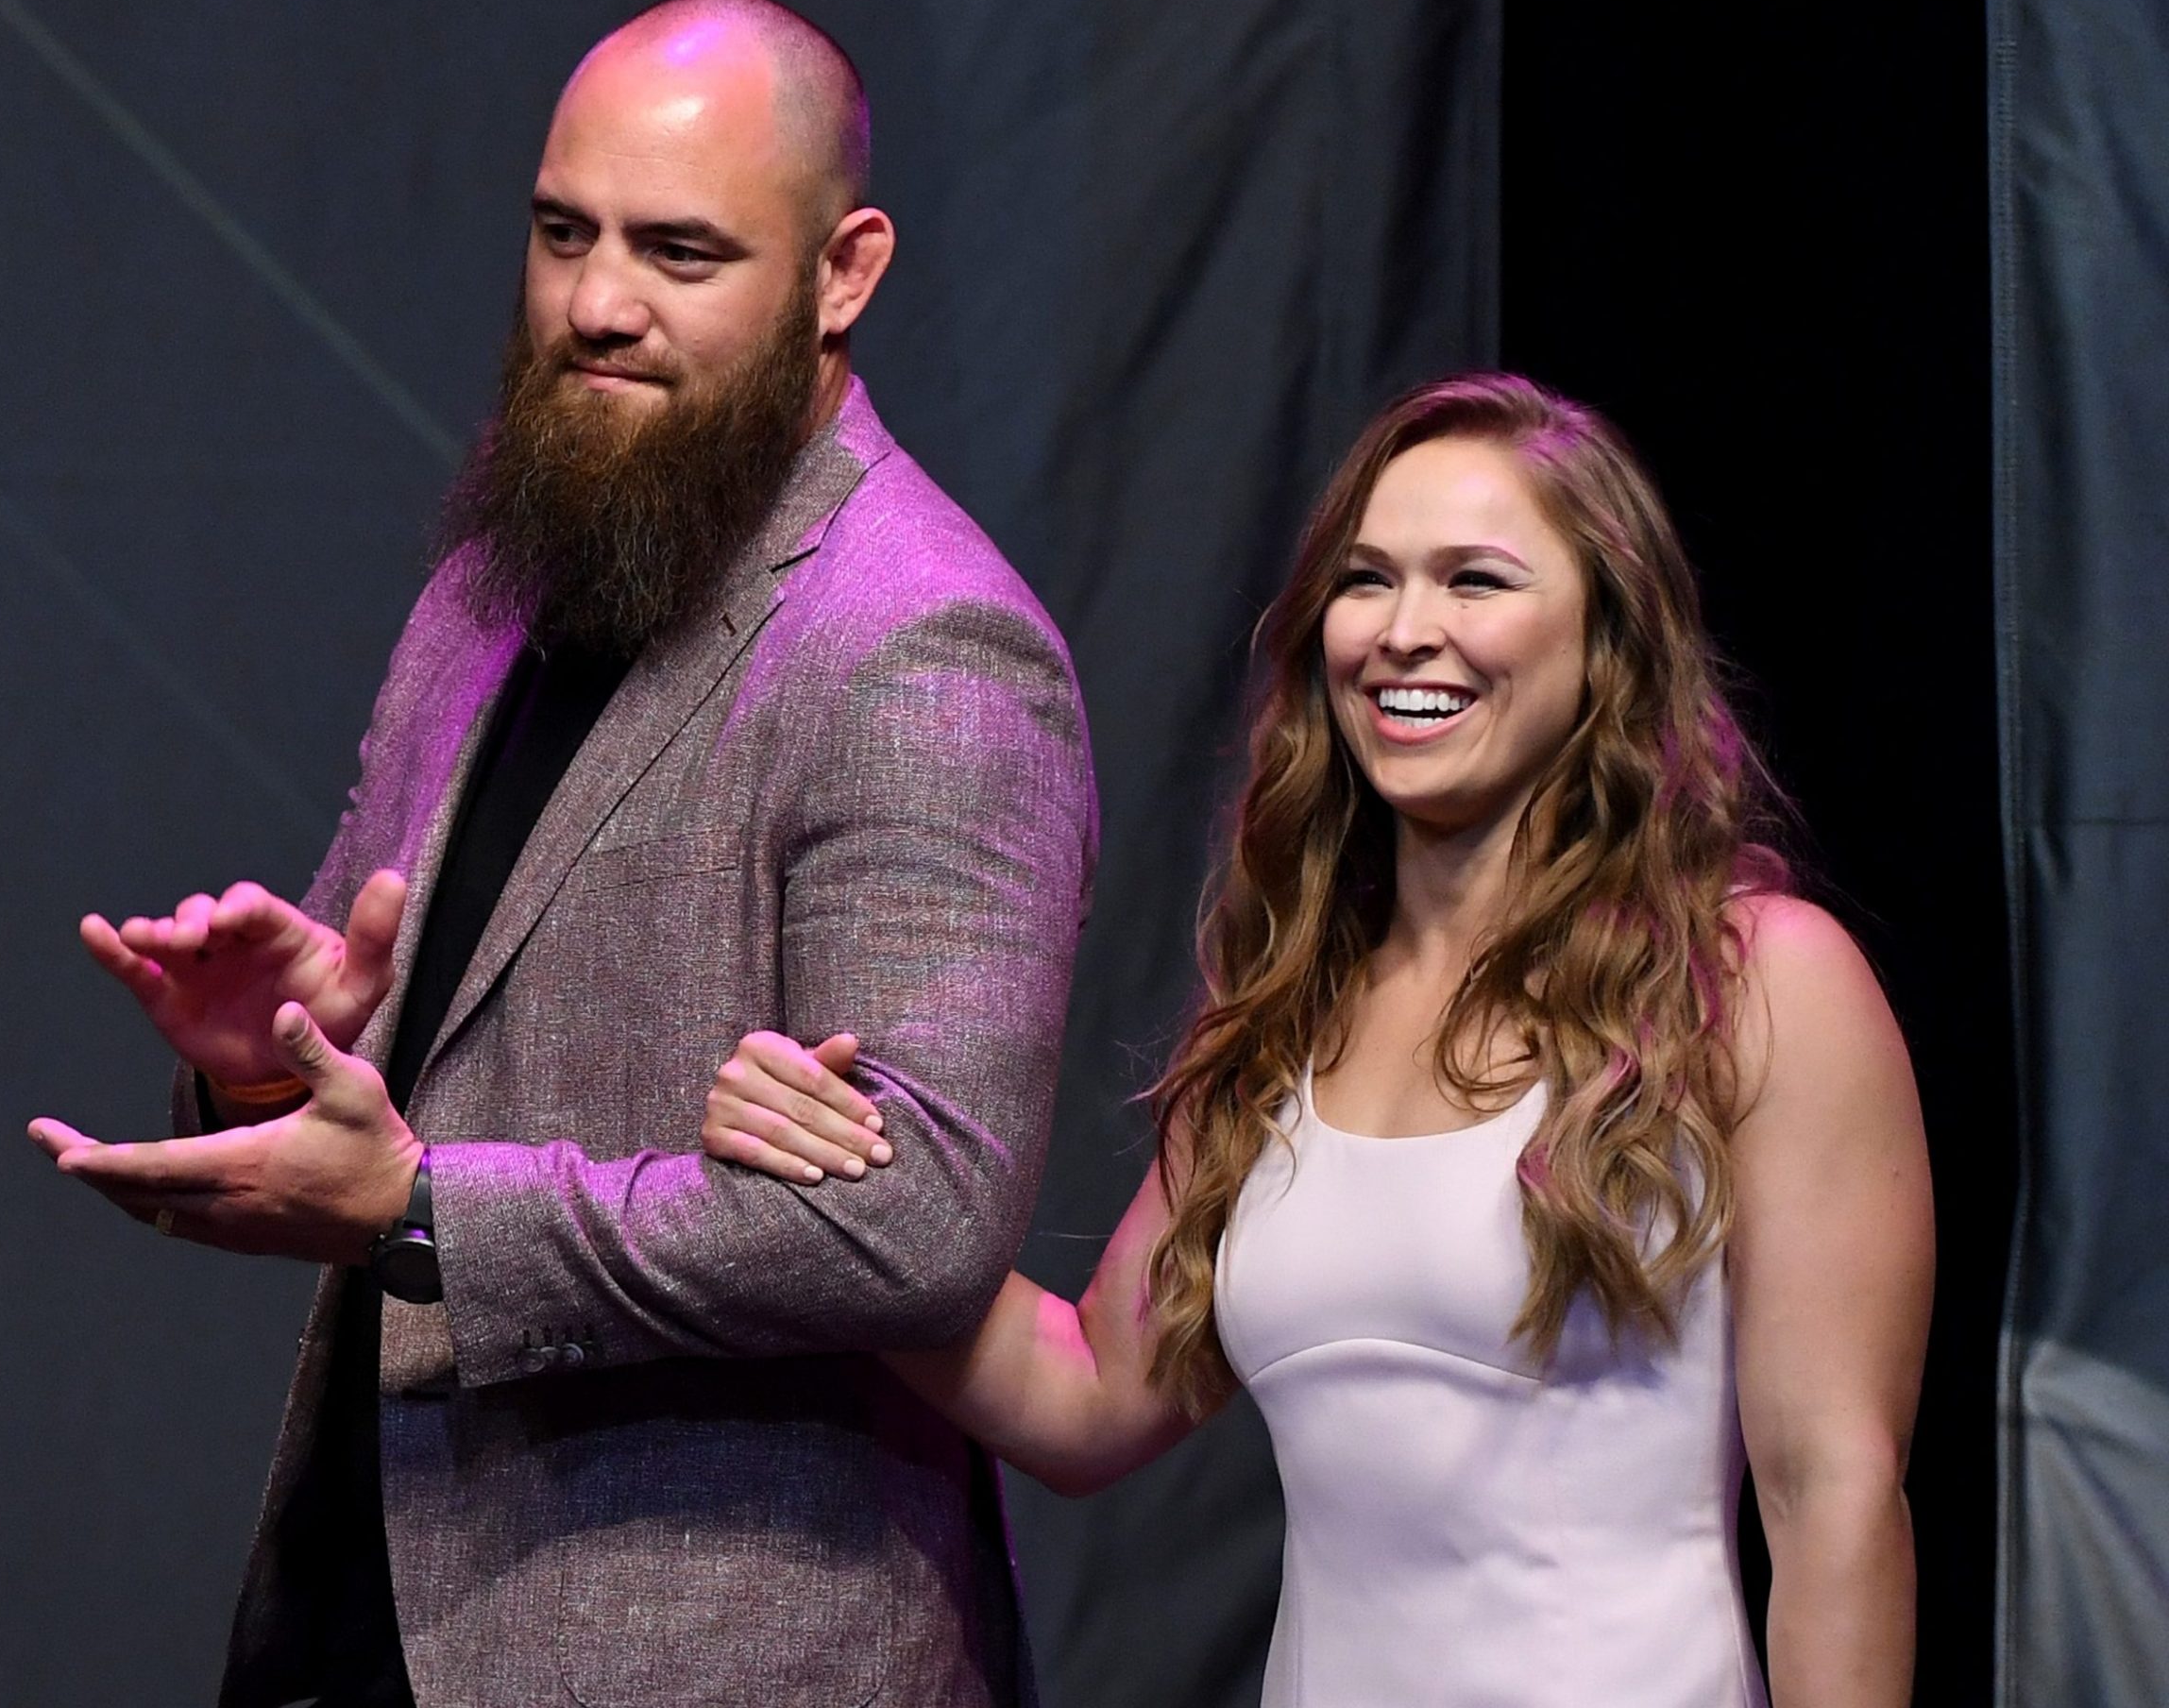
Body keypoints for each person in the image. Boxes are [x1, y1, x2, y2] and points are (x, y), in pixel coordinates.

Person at [29, 0, 1096, 1708]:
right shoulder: (505, 571)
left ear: (844, 274)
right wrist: (272, 1060)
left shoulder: (924, 642)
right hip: (378, 1606)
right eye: (562, 233)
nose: (597, 303)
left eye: (680, 252)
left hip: (723, 1653)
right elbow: (410, 1061)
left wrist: (427, 1213)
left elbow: (922, 1223)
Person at [701, 374, 1935, 1706]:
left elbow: (1833, 1496)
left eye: (1476, 581)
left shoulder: (1757, 982)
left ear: (1609, 641)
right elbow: (1089, 1395)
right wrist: (831, 1191)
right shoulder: (1287, 1021)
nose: (1404, 631)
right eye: (1366, 580)